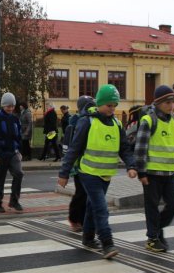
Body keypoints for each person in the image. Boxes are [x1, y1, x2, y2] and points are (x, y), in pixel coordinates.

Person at [58, 85, 137, 259]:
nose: (112, 109)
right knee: (101, 208)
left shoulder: (116, 124)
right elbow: (74, 148)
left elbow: (124, 148)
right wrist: (64, 173)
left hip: (106, 174)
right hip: (88, 172)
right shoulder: (87, 121)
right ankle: (107, 244)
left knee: (91, 206)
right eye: (109, 105)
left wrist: (131, 166)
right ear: (100, 103)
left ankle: (87, 238)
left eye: (114, 105)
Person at [134, 85, 174, 253]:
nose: (171, 106)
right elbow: (140, 148)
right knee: (152, 206)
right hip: (151, 173)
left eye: (173, 102)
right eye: (168, 103)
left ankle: (157, 229)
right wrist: (141, 172)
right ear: (158, 103)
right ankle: (152, 238)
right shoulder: (149, 120)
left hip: (169, 173)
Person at [61, 95, 95, 232]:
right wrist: (67, 169)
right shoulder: (75, 123)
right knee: (81, 193)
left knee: (89, 194)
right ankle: (74, 218)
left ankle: (85, 220)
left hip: (90, 163)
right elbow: (70, 147)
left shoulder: (92, 121)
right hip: (78, 165)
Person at [0, 92, 24, 213]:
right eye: (8, 106)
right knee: (0, 179)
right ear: (3, 105)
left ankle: (14, 200)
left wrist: (19, 151)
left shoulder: (15, 119)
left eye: (12, 106)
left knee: (19, 174)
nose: (10, 108)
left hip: (13, 153)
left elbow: (19, 136)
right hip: (1, 154)